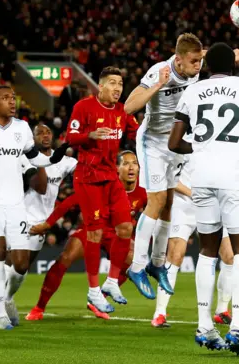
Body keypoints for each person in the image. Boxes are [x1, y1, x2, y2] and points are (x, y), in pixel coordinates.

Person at [169, 42, 239, 355]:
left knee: (207, 251)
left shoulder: (193, 91)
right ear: (232, 67)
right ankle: (237, 327)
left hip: (202, 178)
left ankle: (204, 324)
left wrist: (203, 150)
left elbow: (175, 142)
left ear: (207, 67)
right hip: (236, 178)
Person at [0, 86, 69, 330]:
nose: (12, 102)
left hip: (16, 203)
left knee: (21, 263)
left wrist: (51, 159)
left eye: (13, 98)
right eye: (5, 98)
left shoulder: (22, 128)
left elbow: (33, 157)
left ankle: (6, 299)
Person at [123, 33, 204, 299]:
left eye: (200, 60)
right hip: (152, 144)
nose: (198, 66)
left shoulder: (194, 73)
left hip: (175, 142)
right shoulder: (159, 71)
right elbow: (128, 107)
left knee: (169, 203)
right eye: (193, 61)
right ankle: (136, 267)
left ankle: (157, 264)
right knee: (156, 201)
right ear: (178, 60)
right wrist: (157, 86)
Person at [25, 150, 147, 321]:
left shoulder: (144, 190)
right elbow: (69, 202)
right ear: (116, 168)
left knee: (135, 265)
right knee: (65, 258)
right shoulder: (103, 183)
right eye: (126, 163)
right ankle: (39, 307)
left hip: (117, 236)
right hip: (94, 229)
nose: (131, 167)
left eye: (134, 163)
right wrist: (47, 224)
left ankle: (98, 299)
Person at [66, 66, 140, 313]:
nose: (117, 88)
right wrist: (91, 135)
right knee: (95, 235)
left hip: (111, 177)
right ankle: (93, 291)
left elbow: (137, 133)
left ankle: (111, 281)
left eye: (120, 83)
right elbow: (70, 137)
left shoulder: (122, 111)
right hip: (88, 178)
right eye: (112, 83)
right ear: (100, 85)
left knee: (125, 228)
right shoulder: (84, 107)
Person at [0, 123, 77, 319]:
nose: (44, 135)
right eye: (39, 133)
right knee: (17, 262)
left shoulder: (63, 161)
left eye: (48, 132)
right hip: (21, 215)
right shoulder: (24, 158)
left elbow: (82, 169)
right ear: (32, 138)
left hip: (43, 221)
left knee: (22, 267)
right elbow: (41, 187)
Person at [151, 153, 234, 328]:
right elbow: (170, 178)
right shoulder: (182, 143)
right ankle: (160, 313)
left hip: (212, 206)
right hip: (184, 205)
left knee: (229, 256)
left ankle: (221, 310)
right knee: (175, 255)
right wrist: (193, 194)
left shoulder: (217, 144)